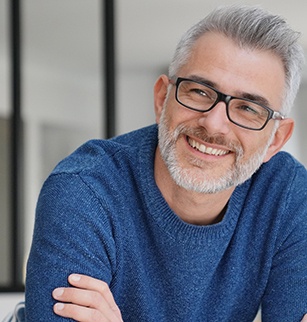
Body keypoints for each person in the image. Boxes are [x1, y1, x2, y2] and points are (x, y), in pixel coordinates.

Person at [25, 4, 307, 321]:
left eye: (248, 109)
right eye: (200, 91)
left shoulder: (288, 195)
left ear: (277, 139)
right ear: (162, 99)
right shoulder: (84, 191)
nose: (214, 124)